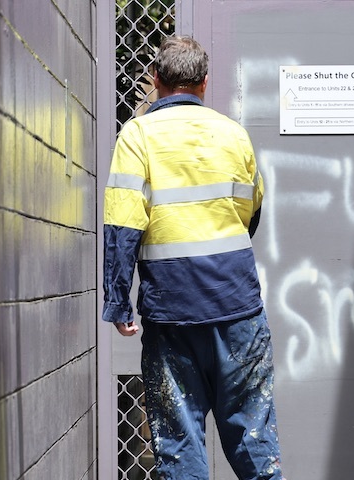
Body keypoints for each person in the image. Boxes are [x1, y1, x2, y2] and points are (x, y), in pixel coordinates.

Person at [102, 35, 284, 480]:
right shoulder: (232, 133)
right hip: (237, 305)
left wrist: (118, 299)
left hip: (172, 316)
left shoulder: (137, 135)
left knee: (179, 444)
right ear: (205, 82)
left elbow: (123, 224)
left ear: (155, 79)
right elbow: (250, 210)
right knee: (254, 438)